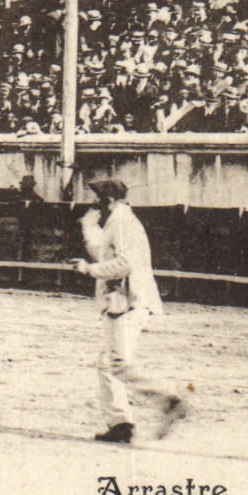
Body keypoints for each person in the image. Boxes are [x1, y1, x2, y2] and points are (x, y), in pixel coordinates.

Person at [68, 178, 187, 444]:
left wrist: (89, 270)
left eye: (97, 198)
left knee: (117, 363)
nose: (94, 203)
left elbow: (123, 264)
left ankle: (168, 396)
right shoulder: (118, 221)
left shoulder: (122, 222)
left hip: (128, 299)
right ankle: (120, 424)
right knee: (107, 362)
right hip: (122, 299)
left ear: (108, 200)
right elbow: (102, 253)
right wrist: (88, 227)